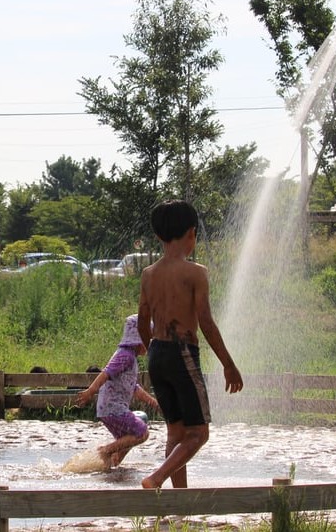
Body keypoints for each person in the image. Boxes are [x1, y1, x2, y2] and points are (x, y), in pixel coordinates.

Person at [137, 199, 243, 489]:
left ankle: (178, 500)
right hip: (182, 351)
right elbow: (205, 321)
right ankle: (157, 478)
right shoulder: (196, 272)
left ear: (159, 236)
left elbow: (142, 321)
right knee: (198, 434)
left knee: (176, 431)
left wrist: (153, 351)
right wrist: (228, 365)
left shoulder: (148, 274)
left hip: (157, 353)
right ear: (192, 233)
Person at [75, 314, 160, 468]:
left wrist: (154, 403)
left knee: (126, 441)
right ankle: (105, 451)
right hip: (113, 408)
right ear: (138, 338)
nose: (150, 344)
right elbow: (106, 373)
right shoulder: (125, 356)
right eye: (149, 339)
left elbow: (134, 388)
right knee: (142, 433)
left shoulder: (130, 357)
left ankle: (110, 465)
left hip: (110, 409)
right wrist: (90, 391)